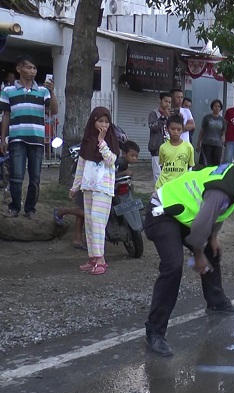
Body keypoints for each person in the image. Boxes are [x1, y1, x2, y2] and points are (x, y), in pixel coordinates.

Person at [143, 153, 234, 356]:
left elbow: (219, 213)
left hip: (182, 216)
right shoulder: (222, 190)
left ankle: (216, 302)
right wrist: (198, 255)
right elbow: (199, 229)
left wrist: (213, 237)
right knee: (173, 266)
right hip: (162, 213)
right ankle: (154, 332)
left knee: (213, 250)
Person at [0, 55, 58, 219]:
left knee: (35, 178)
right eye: (29, 67)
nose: (32, 71)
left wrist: (52, 91)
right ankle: (15, 208)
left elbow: (54, 111)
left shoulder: (43, 91)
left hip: (37, 140)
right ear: (19, 69)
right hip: (16, 139)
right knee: (16, 176)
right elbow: (6, 115)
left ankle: (30, 210)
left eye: (34, 68)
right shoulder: (8, 91)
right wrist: (2, 138)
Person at [54, 142, 140, 249]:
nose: (135, 159)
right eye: (133, 156)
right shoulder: (93, 140)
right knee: (87, 211)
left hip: (99, 181)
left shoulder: (112, 145)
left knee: (86, 209)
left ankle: (78, 238)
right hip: (89, 178)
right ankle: (62, 211)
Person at [68, 107, 120, 275]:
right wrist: (75, 187)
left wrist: (102, 141)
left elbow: (111, 160)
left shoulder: (111, 140)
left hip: (103, 189)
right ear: (93, 122)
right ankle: (92, 258)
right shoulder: (87, 142)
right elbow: (81, 167)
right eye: (100, 121)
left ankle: (101, 259)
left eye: (106, 122)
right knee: (89, 223)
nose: (104, 125)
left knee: (98, 222)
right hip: (88, 187)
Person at [155, 115, 195, 189]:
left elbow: (189, 165)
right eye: (173, 129)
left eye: (179, 129)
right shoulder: (163, 147)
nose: (176, 132)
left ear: (182, 129)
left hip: (180, 186)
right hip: (164, 185)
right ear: (167, 129)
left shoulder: (188, 147)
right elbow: (162, 165)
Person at [148, 92, 171, 185]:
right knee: (158, 175)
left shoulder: (171, 115)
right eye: (166, 101)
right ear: (160, 100)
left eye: (170, 102)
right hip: (157, 148)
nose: (168, 104)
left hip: (169, 148)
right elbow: (153, 127)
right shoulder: (153, 113)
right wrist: (163, 117)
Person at [197, 99, 226, 167]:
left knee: (215, 166)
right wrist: (198, 143)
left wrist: (223, 147)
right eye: (215, 106)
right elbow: (202, 131)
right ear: (212, 107)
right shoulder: (207, 118)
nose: (217, 108)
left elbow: (223, 133)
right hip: (206, 144)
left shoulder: (222, 120)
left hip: (217, 146)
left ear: (220, 108)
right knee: (204, 165)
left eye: (218, 106)